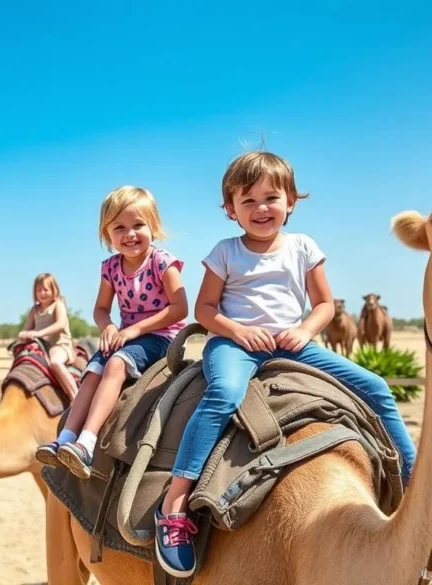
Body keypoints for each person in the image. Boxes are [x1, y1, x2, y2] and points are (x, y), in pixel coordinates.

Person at [152, 151, 417, 578]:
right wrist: (237, 331)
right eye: (248, 200)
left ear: (291, 201)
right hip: (236, 345)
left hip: (290, 345)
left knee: (376, 388)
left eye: (271, 198)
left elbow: (325, 304)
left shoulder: (304, 247)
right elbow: (204, 309)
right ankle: (176, 504)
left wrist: (306, 329)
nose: (261, 209)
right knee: (223, 395)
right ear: (230, 209)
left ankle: (413, 476)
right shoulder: (225, 252)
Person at [35, 186, 188, 478]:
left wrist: (135, 330)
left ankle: (87, 443)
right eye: (120, 227)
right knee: (92, 372)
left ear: (153, 226)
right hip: (124, 336)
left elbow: (180, 309)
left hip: (160, 336)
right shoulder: (110, 268)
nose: (130, 234)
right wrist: (109, 327)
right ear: (108, 235)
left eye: (138, 225)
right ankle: (65, 438)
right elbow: (101, 309)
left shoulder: (162, 262)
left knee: (116, 365)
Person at [18, 272, 80, 400]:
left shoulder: (58, 305)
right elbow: (27, 328)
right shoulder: (34, 310)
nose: (42, 293)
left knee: (55, 362)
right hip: (41, 346)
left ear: (54, 290)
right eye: (39, 290)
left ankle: (75, 396)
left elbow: (60, 324)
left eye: (46, 289)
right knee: (22, 359)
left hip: (59, 344)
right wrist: (23, 335)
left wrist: (39, 333)